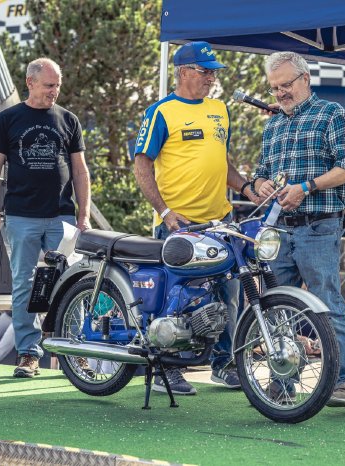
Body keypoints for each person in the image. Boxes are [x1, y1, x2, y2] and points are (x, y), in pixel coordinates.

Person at [133, 42, 258, 395]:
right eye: (205, 71)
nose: (211, 78)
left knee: (230, 295)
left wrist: (246, 186)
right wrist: (165, 212)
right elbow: (142, 165)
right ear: (184, 71)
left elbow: (222, 162)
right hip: (178, 224)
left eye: (214, 72)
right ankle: (165, 369)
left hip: (220, 221)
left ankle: (225, 364)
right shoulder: (161, 112)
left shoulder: (219, 110)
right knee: (175, 299)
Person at [252, 51, 345, 410]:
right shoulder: (273, 125)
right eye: (274, 88)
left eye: (286, 85)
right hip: (278, 231)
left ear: (305, 79)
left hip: (318, 227)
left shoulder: (331, 114)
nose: (280, 93)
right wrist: (262, 186)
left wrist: (306, 187)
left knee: (329, 305)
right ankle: (283, 384)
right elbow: (260, 172)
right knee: (276, 307)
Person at [0, 57, 91, 378]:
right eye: (48, 85)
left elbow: (80, 170)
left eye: (57, 85)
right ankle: (29, 355)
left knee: (72, 283)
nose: (54, 91)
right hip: (20, 216)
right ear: (29, 83)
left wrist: (84, 214)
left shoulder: (68, 120)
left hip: (62, 217)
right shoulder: (8, 119)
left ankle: (75, 351)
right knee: (23, 286)